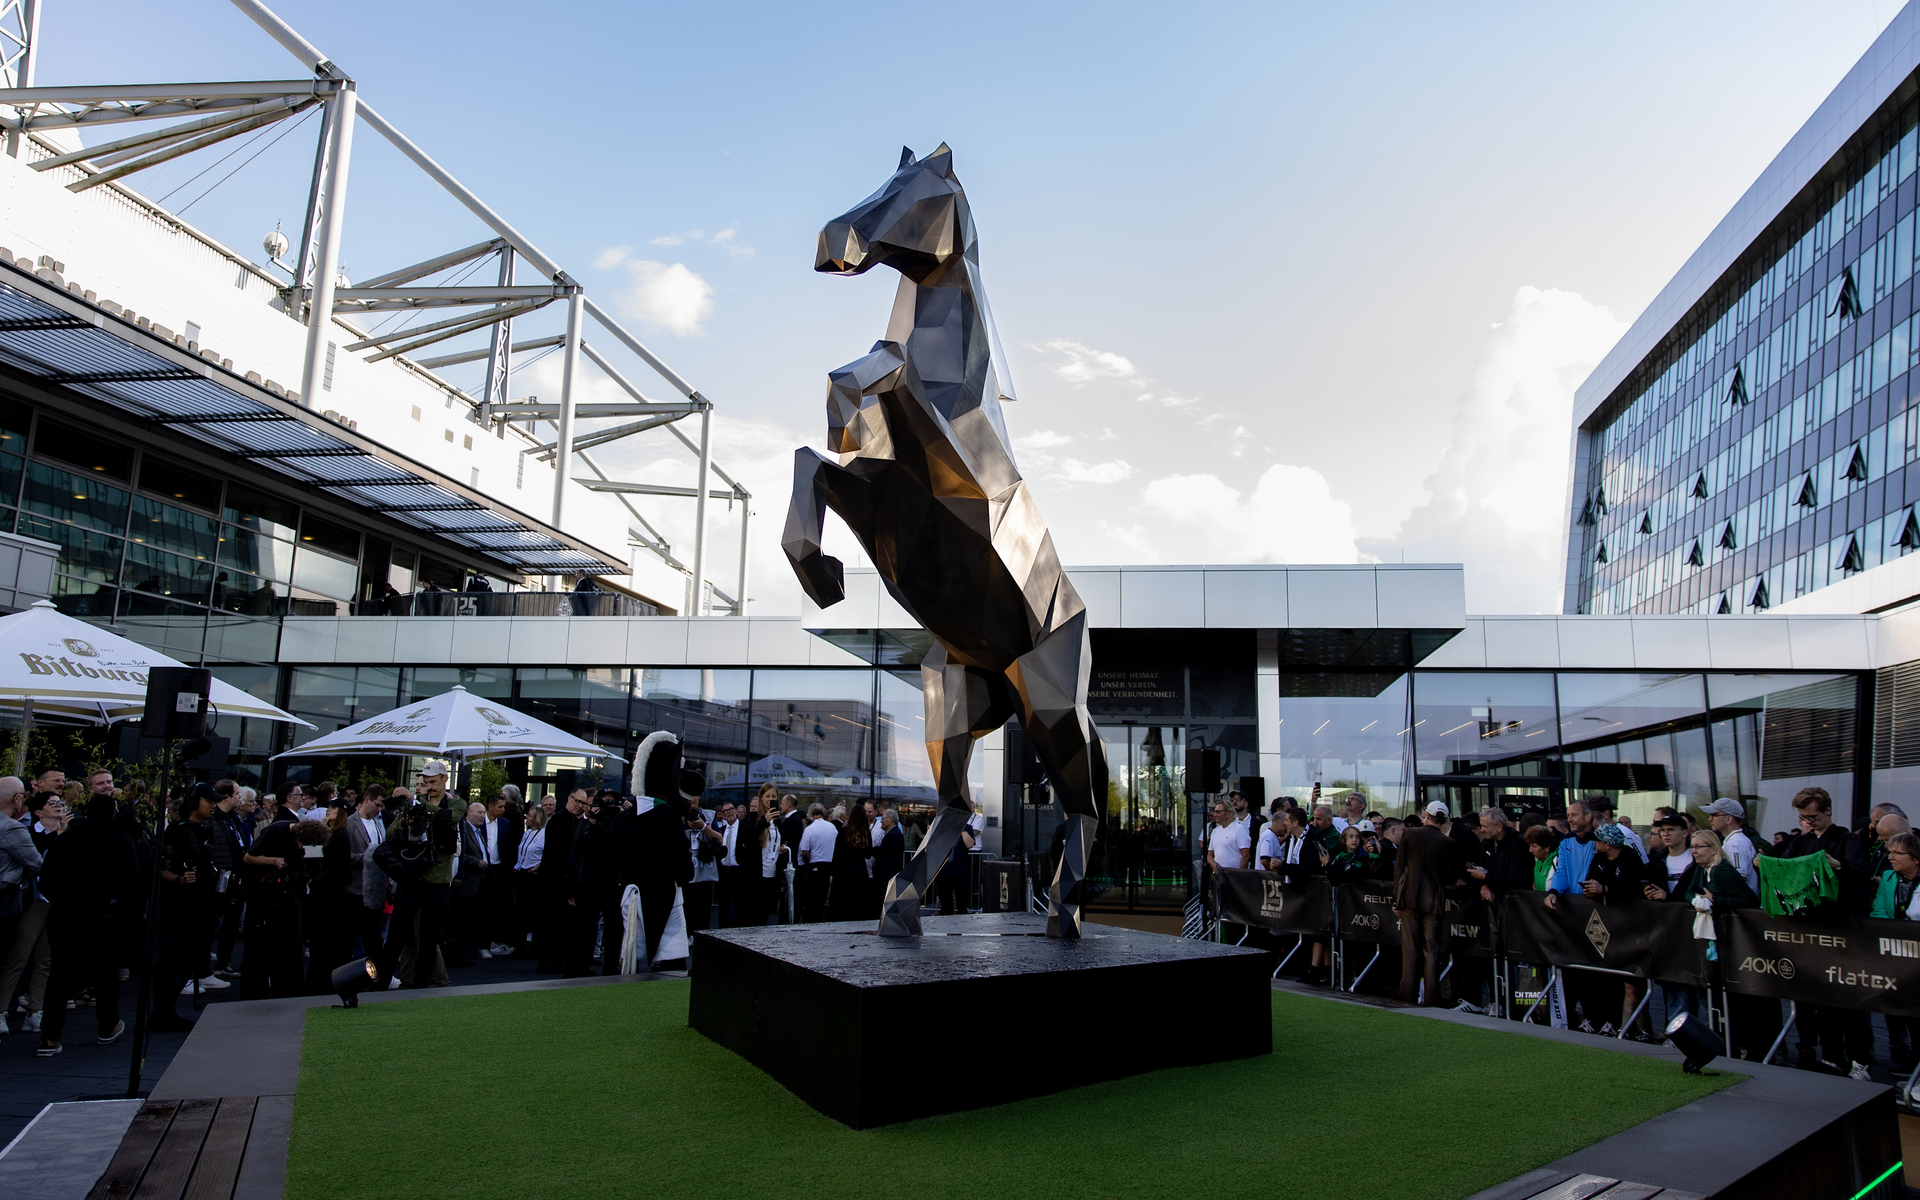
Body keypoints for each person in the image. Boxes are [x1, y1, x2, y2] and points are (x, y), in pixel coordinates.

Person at [1779, 786, 1873, 1079]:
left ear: (1828, 811)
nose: (1808, 821)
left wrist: (1839, 867)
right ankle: (1833, 1057)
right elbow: (1785, 870)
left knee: (1850, 999)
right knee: (1822, 998)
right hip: (1812, 930)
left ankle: (1860, 1060)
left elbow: (1861, 875)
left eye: (1813, 816)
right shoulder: (1801, 841)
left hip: (1844, 929)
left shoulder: (1848, 839)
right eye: (1803, 817)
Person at [34, 794, 137, 1056]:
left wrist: (63, 901)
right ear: (113, 812)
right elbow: (132, 881)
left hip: (65, 915)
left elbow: (45, 879)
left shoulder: (66, 839)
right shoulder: (120, 839)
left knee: (59, 976)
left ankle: (50, 1036)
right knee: (105, 973)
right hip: (104, 916)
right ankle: (108, 1025)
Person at [1648, 828, 1757, 1028]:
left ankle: (1723, 1037)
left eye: (1699, 847)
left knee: (1718, 992)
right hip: (1707, 939)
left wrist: (1716, 900)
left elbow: (1750, 899)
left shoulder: (1723, 870)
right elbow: (1689, 892)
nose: (1694, 851)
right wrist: (1697, 900)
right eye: (1693, 847)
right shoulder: (1700, 867)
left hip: (1727, 940)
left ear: (1714, 849)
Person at [154, 788, 220, 1025]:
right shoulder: (177, 830)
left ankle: (166, 1010)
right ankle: (162, 1012)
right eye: (209, 800)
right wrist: (179, 880)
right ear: (194, 802)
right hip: (177, 907)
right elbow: (160, 868)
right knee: (174, 959)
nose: (213, 805)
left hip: (197, 905)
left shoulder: (203, 830)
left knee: (187, 959)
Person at [1394, 801, 1459, 1007]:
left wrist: (1397, 899)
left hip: (1409, 897)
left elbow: (1400, 868)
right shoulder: (1448, 843)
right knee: (1432, 951)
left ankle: (1407, 997)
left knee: (1410, 949)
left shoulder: (1410, 835)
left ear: (1426, 815)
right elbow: (1449, 877)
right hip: (1434, 900)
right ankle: (1432, 999)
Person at [1871, 831, 1920, 1074]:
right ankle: (1900, 1054)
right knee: (1894, 1003)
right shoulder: (1889, 877)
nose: (1890, 857)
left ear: (1916, 857)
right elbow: (1879, 911)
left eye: (1896, 853)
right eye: (1889, 852)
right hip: (1895, 954)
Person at [450, 802, 490, 966]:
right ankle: (454, 956)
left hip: (478, 884)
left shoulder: (479, 832)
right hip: (465, 885)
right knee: (460, 922)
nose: (482, 816)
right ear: (468, 813)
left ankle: (462, 954)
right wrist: (476, 862)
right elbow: (459, 854)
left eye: (483, 813)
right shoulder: (464, 830)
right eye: (479, 812)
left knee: (469, 923)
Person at [1702, 798, 1759, 892]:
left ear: (1729, 819)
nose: (1710, 819)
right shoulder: (1734, 840)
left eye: (1714, 815)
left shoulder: (1736, 844)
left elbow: (1737, 881)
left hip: (1741, 905)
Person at [829, 806, 875, 921]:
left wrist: (832, 873)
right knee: (857, 902)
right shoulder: (866, 833)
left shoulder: (844, 831)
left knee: (843, 901)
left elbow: (837, 853)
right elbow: (868, 854)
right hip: (859, 870)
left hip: (843, 870)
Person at [797, 803, 836, 922]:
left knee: (814, 898)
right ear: (824, 814)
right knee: (826, 897)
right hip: (830, 865)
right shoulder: (832, 827)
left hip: (815, 866)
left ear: (812, 815)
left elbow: (804, 851)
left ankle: (812, 919)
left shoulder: (809, 829)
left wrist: (811, 860)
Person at [1524, 825, 1560, 891]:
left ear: (1547, 848)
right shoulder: (1538, 861)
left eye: (1534, 846)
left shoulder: (1557, 861)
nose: (1530, 850)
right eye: (1530, 846)